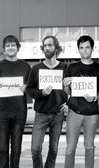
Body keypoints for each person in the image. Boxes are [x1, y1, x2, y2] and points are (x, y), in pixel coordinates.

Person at [26, 35, 68, 168]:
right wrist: (41, 93)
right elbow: (30, 90)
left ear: (56, 48)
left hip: (58, 114)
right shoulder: (36, 69)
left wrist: (68, 104)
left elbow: (73, 90)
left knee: (54, 149)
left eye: (50, 45)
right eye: (45, 46)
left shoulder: (65, 68)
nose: (47, 48)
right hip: (41, 114)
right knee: (35, 149)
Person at [0, 35, 31, 168]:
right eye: (8, 45)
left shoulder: (26, 67)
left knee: (16, 147)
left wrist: (27, 87)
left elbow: (32, 87)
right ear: (4, 49)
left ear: (18, 48)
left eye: (13, 45)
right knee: (3, 148)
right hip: (1, 110)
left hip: (20, 110)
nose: (10, 48)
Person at [63, 35, 99, 168]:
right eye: (81, 48)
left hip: (93, 113)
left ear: (92, 48)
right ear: (78, 49)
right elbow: (68, 92)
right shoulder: (71, 68)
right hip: (74, 112)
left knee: (89, 147)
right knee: (70, 148)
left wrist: (96, 97)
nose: (84, 50)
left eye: (87, 47)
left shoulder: (98, 68)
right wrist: (65, 85)